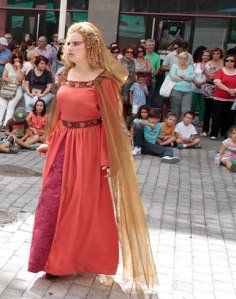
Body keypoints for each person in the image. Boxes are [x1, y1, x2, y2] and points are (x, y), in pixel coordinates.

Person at [30, 23, 158, 291]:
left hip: (90, 147)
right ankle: (51, 260)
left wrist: (108, 157)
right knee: (51, 201)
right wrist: (51, 142)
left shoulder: (105, 81)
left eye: (77, 43)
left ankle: (74, 260)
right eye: (69, 43)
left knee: (82, 207)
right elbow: (60, 115)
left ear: (92, 47)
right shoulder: (65, 74)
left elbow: (112, 125)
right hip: (64, 144)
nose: (70, 48)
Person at [211, 54, 236, 139]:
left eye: (231, 61)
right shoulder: (220, 71)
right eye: (227, 60)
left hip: (232, 99)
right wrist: (229, 90)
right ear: (224, 62)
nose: (229, 62)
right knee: (217, 116)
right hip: (219, 98)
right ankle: (214, 133)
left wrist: (234, 91)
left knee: (229, 118)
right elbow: (217, 82)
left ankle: (226, 134)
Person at [0, 50, 25, 126]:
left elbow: (20, 80)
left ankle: (6, 124)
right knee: (2, 105)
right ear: (12, 58)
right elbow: (4, 77)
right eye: (15, 57)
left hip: (17, 88)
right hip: (7, 87)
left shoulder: (23, 67)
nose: (17, 59)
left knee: (11, 106)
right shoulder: (8, 65)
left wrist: (19, 68)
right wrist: (12, 80)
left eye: (19, 57)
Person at [168, 52, 195, 119]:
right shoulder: (174, 66)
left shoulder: (190, 67)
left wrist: (182, 76)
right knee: (175, 110)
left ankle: (182, 127)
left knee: (185, 111)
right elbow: (173, 77)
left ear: (187, 60)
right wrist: (186, 78)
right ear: (178, 59)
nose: (182, 60)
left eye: (185, 59)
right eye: (181, 58)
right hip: (176, 90)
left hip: (188, 91)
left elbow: (192, 78)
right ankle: (174, 126)